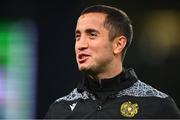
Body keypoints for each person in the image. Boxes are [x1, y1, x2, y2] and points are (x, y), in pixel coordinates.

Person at [45, 5, 180, 119]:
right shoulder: (59, 110)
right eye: (78, 36)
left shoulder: (157, 105)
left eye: (92, 35)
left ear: (118, 45)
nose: (80, 45)